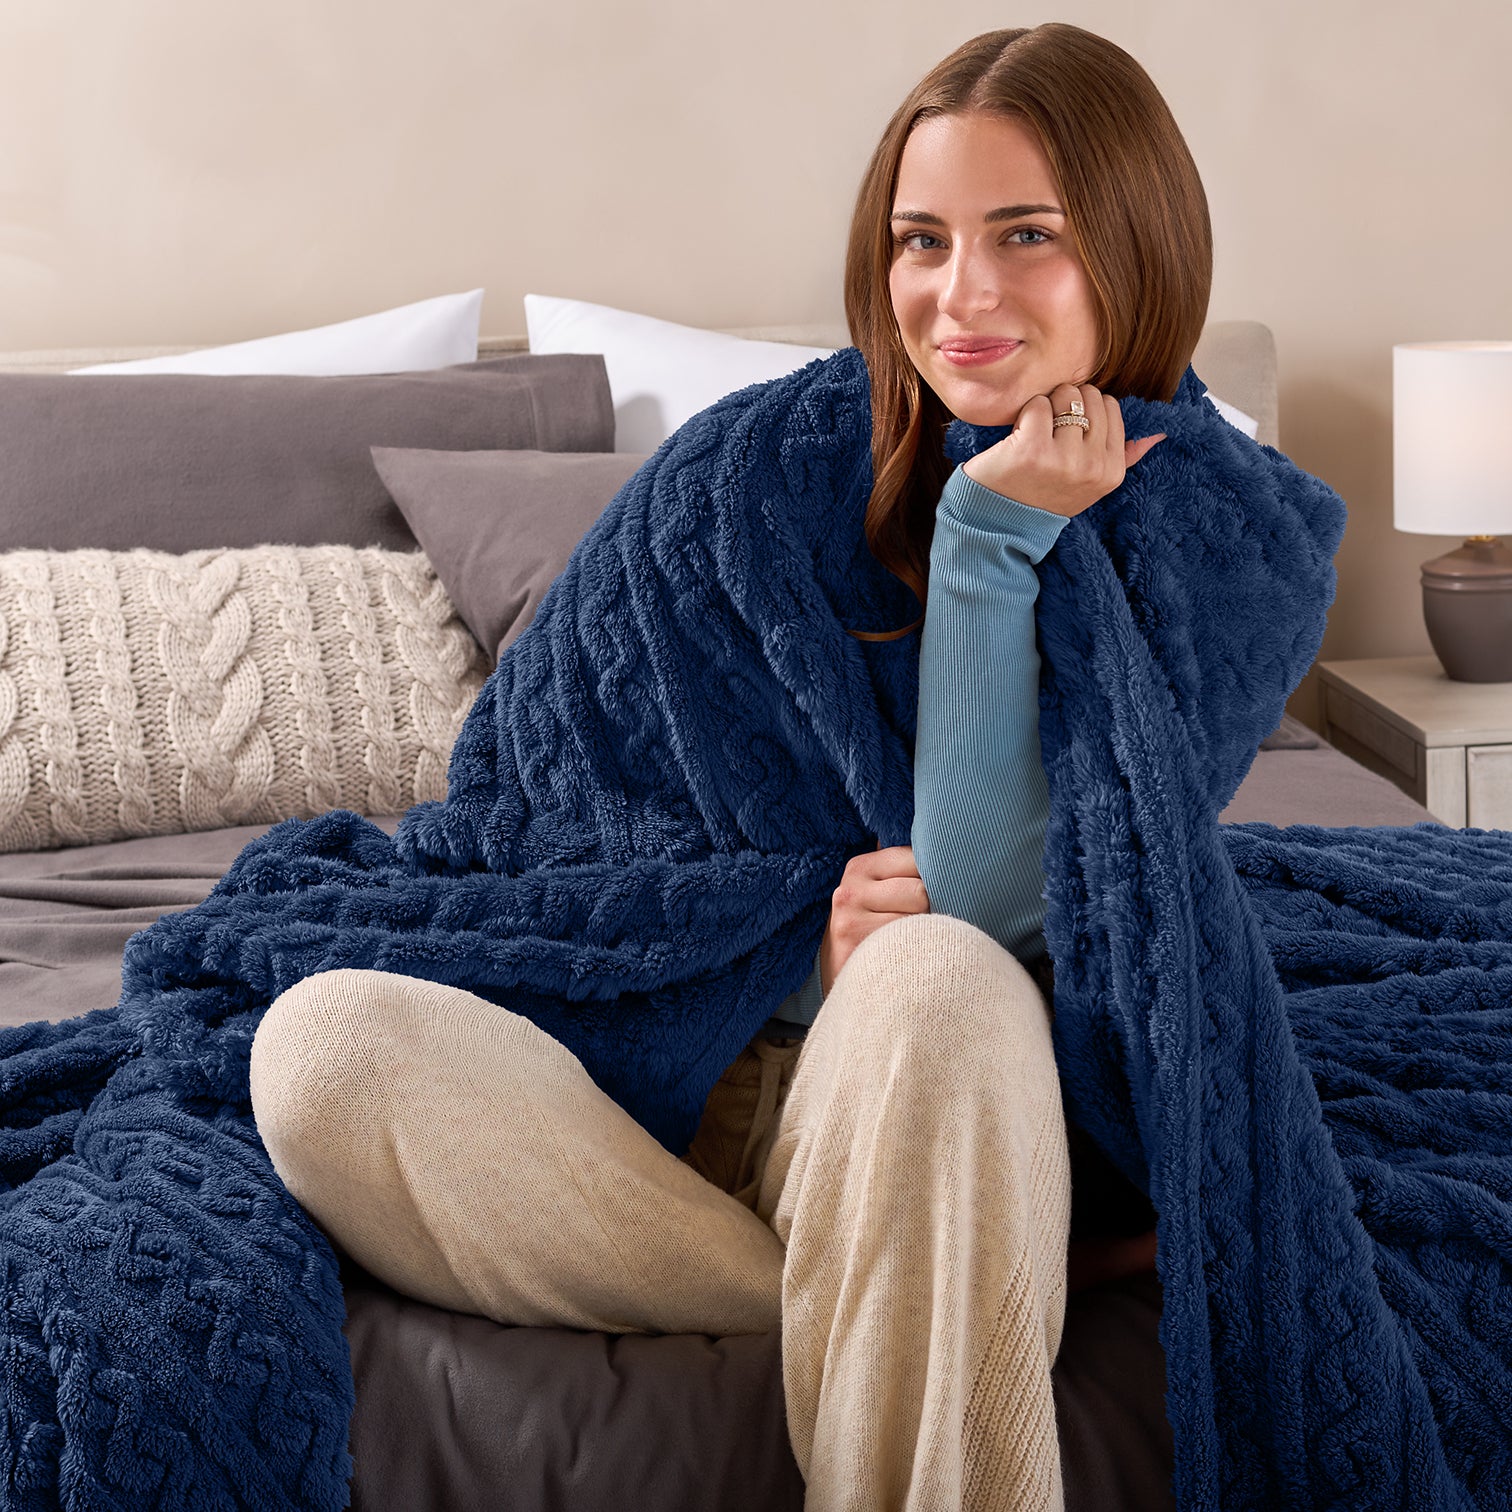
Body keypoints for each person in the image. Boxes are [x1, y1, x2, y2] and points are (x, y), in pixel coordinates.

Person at [249, 21, 1208, 1510]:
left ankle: (895, 1270)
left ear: (1138, 246)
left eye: (1029, 236)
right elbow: (536, 819)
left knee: (935, 982)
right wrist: (784, 962)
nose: (962, 296)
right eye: (921, 241)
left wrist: (990, 542)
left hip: (932, 1093)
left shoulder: (1223, 534)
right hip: (653, 1115)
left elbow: (990, 913)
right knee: (318, 1047)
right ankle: (861, 1295)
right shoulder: (738, 474)